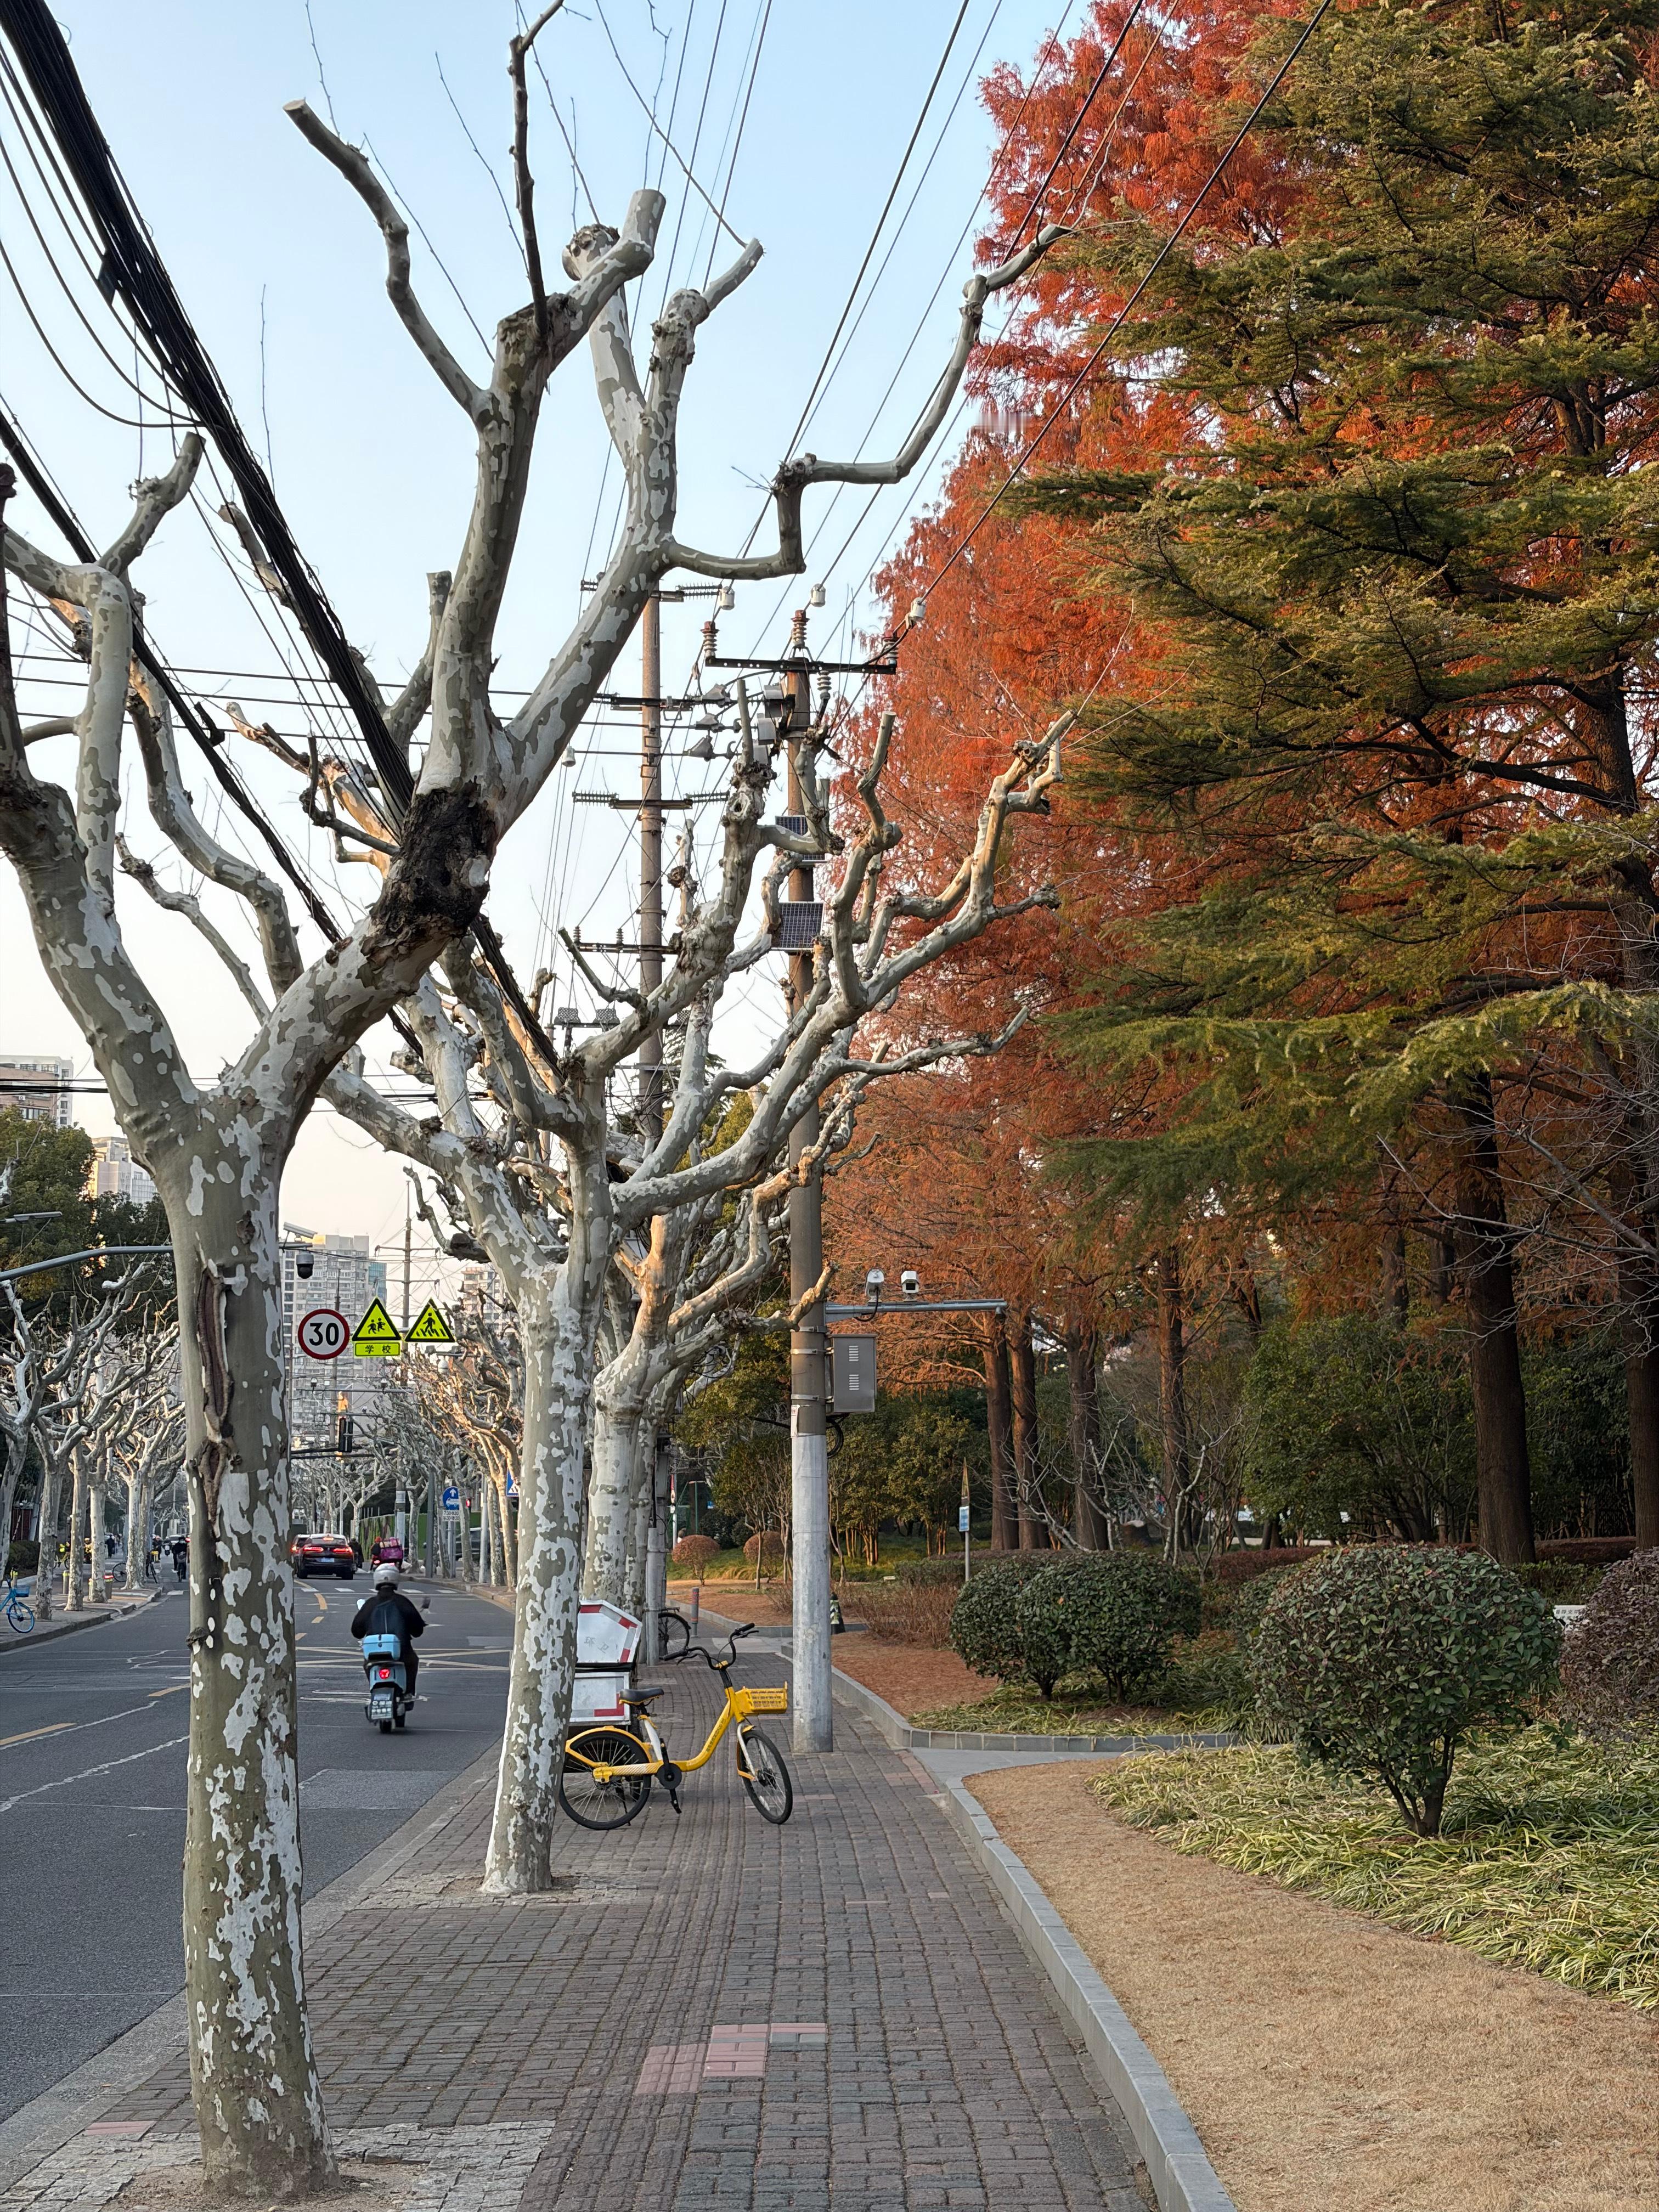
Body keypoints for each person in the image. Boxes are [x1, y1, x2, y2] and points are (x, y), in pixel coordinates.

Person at [351, 1563, 425, 1701]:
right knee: (413, 1661)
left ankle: (373, 1687)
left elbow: (356, 1631)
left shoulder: (370, 1604)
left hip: (374, 1654)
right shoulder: (402, 1602)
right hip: (402, 1651)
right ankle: (408, 1693)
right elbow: (418, 1630)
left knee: (367, 1664)